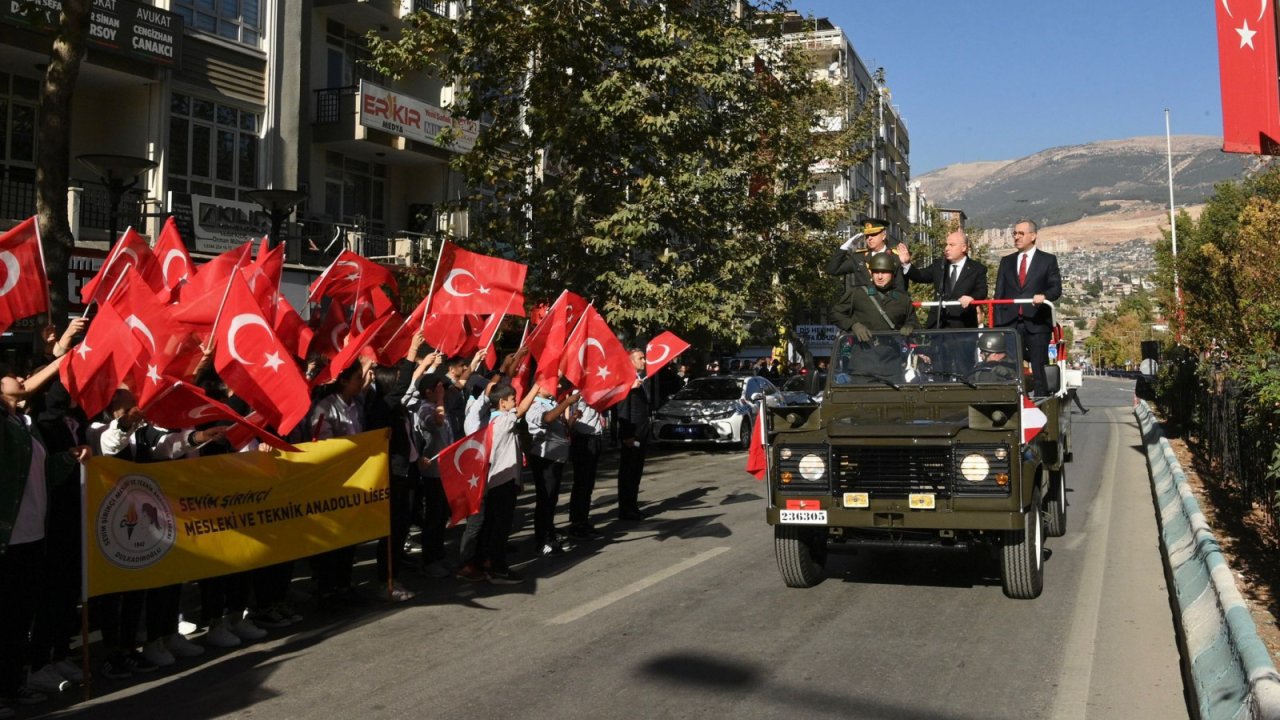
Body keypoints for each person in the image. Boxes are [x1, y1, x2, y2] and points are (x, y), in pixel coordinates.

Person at [994, 220, 1062, 396]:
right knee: (1009, 368)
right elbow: (999, 295)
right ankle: (1015, 404)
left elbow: (1056, 288)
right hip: (1010, 324)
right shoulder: (1006, 262)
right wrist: (997, 327)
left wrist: (1044, 296)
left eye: (1020, 234)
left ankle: (1041, 404)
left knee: (1039, 366)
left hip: (1037, 322)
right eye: (1014, 233)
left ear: (1033, 236)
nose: (1016, 237)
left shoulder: (1048, 260)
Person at [525, 383, 579, 556]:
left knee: (552, 499)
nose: (557, 386)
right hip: (544, 458)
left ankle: (550, 534)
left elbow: (561, 428)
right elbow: (547, 419)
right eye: (550, 384)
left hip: (556, 457)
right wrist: (567, 402)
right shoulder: (535, 404)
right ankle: (542, 541)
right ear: (538, 388)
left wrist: (572, 419)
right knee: (545, 499)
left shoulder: (552, 402)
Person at [897, 228, 988, 328]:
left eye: (951, 245)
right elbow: (920, 276)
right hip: (938, 325)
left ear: (963, 247)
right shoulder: (939, 265)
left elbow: (982, 291)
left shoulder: (977, 268)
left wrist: (971, 298)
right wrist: (906, 263)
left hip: (963, 325)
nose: (946, 248)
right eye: (946, 244)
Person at [833, 252, 916, 337]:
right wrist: (853, 325)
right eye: (876, 272)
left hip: (892, 348)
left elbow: (913, 321)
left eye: (884, 272)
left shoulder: (902, 299)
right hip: (863, 347)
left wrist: (910, 326)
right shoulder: (858, 293)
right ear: (871, 273)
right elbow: (836, 314)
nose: (880, 277)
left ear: (892, 274)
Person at [614, 349, 653, 521]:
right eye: (640, 358)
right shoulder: (626, 382)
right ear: (630, 361)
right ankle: (626, 509)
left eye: (644, 358)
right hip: (632, 435)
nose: (644, 361)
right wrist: (627, 435)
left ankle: (633, 506)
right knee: (628, 472)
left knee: (636, 472)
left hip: (641, 434)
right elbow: (622, 410)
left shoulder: (639, 380)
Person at [826, 217, 906, 292]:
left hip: (888, 303)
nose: (869, 238)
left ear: (883, 235)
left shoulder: (896, 256)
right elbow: (833, 270)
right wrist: (844, 248)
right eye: (867, 235)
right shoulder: (859, 257)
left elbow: (901, 286)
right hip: (864, 304)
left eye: (874, 234)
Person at [566, 393, 604, 539]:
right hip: (583, 439)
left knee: (588, 484)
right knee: (582, 483)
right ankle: (577, 523)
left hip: (594, 437)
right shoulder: (580, 394)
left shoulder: (595, 390)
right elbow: (575, 416)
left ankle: (583, 520)